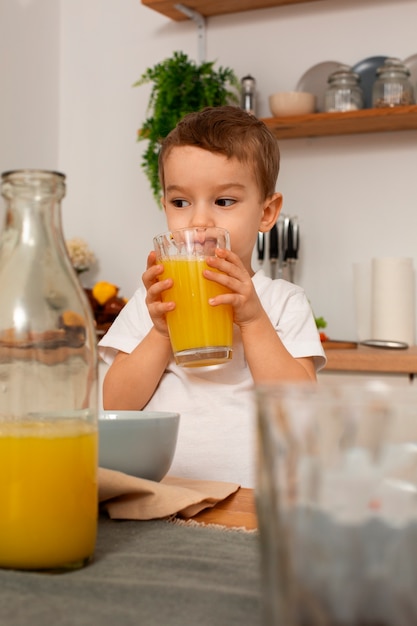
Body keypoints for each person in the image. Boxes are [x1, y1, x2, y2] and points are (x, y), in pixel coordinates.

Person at [99, 105, 326, 487]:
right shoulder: (152, 299)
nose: (199, 223)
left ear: (267, 213)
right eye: (180, 202)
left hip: (255, 498)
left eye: (223, 202)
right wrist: (160, 332)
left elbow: (298, 408)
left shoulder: (284, 301)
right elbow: (117, 404)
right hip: (165, 493)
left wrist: (253, 320)